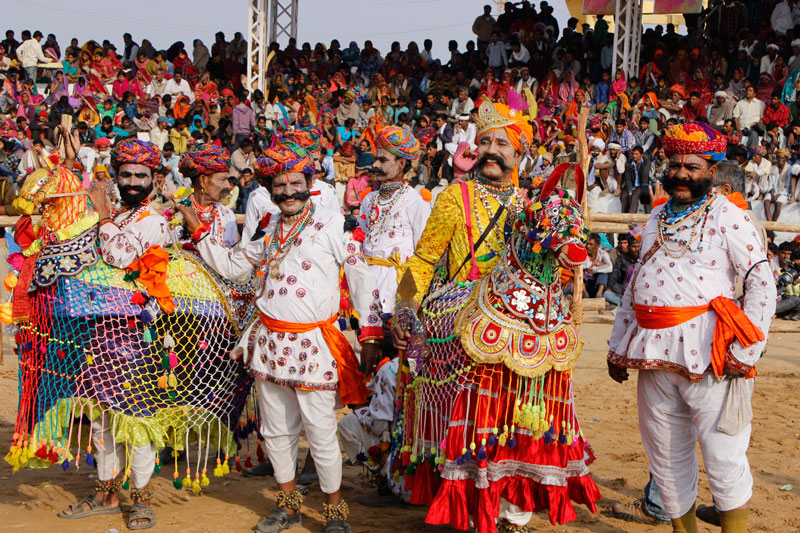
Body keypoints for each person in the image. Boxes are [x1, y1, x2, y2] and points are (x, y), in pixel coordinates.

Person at [391, 100, 600, 532]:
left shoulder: (534, 204)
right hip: (462, 313)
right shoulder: (454, 198)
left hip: (520, 317)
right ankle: (471, 501)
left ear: (518, 153)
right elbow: (424, 261)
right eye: (484, 141)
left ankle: (515, 508)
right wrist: (406, 306)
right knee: (479, 412)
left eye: (502, 143)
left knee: (528, 402)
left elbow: (556, 265)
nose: (491, 150)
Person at [174, 142, 383, 533]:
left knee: (320, 433)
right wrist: (199, 230)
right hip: (269, 345)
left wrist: (370, 333)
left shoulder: (333, 223)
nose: (288, 192)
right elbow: (236, 266)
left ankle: (335, 512)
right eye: (280, 185)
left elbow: (360, 277)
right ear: (270, 190)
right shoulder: (269, 226)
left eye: (295, 183)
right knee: (276, 433)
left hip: (314, 347)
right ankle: (287, 507)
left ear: (310, 182)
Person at [607, 122, 776, 533]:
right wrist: (617, 344)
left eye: (693, 166)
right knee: (665, 457)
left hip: (714, 354)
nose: (681, 173)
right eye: (675, 164)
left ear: (713, 171)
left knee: (724, 454)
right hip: (652, 354)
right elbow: (635, 283)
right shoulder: (657, 217)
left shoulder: (730, 216)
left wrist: (745, 349)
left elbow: (761, 283)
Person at [59, 139, 169, 530]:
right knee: (103, 417)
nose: (134, 181)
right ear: (117, 177)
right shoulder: (116, 215)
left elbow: (121, 257)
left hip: (139, 334)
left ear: (154, 179)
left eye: (142, 175)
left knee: (137, 419)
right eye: (127, 174)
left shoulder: (152, 220)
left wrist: (103, 214)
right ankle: (106, 492)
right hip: (101, 331)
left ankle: (140, 499)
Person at [360, 126, 430, 319]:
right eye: (375, 159)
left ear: (401, 164)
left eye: (383, 160)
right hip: (366, 279)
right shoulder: (369, 199)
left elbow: (422, 252)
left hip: (397, 284)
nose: (375, 165)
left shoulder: (415, 201)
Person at [178, 144, 239, 247]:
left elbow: (232, 255)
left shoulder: (227, 215)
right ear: (203, 181)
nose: (228, 186)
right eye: (223, 179)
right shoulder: (177, 214)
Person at [604, 235, 640, 306]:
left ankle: (627, 304)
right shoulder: (622, 258)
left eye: (638, 247)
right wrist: (609, 288)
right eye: (634, 247)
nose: (636, 250)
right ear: (629, 247)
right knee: (606, 294)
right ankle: (627, 304)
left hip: (639, 289)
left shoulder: (643, 258)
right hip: (624, 288)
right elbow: (615, 273)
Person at [621, 145, 652, 213]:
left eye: (636, 154)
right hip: (632, 185)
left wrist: (643, 189)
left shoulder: (646, 162)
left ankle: (632, 219)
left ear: (641, 155)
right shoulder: (628, 164)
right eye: (633, 154)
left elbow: (645, 177)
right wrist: (629, 192)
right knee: (624, 195)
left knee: (635, 196)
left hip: (642, 185)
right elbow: (628, 179)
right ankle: (623, 218)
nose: (634, 156)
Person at [584, 233, 613, 297]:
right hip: (585, 283)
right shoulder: (583, 252)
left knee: (604, 273)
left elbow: (610, 267)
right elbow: (582, 265)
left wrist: (594, 269)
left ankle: (599, 293)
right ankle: (584, 293)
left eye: (591, 244)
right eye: (587, 244)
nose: (588, 246)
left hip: (596, 283)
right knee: (580, 271)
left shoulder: (603, 254)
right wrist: (594, 263)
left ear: (598, 246)